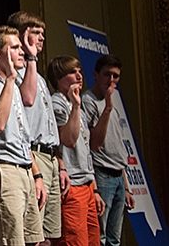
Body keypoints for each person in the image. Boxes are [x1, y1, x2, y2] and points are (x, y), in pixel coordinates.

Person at [0, 26, 46, 246]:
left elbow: (23, 136)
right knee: (10, 240)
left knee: (34, 240)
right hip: (5, 170)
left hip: (24, 168)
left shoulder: (15, 86)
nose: (21, 51)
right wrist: (9, 81)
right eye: (14, 48)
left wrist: (36, 175)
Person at [7, 11, 64, 244]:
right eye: (36, 34)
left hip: (49, 156)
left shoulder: (39, 77)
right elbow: (27, 99)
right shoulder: (17, 70)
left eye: (43, 34)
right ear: (23, 35)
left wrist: (59, 161)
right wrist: (30, 58)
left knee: (49, 234)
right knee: (34, 233)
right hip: (33, 155)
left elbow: (47, 123)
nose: (41, 39)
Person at [48, 56, 105, 246]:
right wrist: (76, 105)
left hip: (86, 184)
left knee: (93, 240)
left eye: (79, 71)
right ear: (59, 78)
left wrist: (94, 188)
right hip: (72, 185)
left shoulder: (74, 102)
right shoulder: (58, 103)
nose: (79, 76)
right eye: (73, 72)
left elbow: (86, 149)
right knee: (74, 241)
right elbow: (68, 141)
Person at [81, 55, 135, 246]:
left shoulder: (111, 102)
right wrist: (107, 109)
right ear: (96, 74)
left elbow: (117, 148)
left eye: (116, 76)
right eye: (107, 75)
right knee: (100, 237)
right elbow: (93, 143)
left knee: (115, 238)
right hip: (102, 175)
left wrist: (126, 187)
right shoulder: (89, 100)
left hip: (118, 177)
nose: (111, 80)